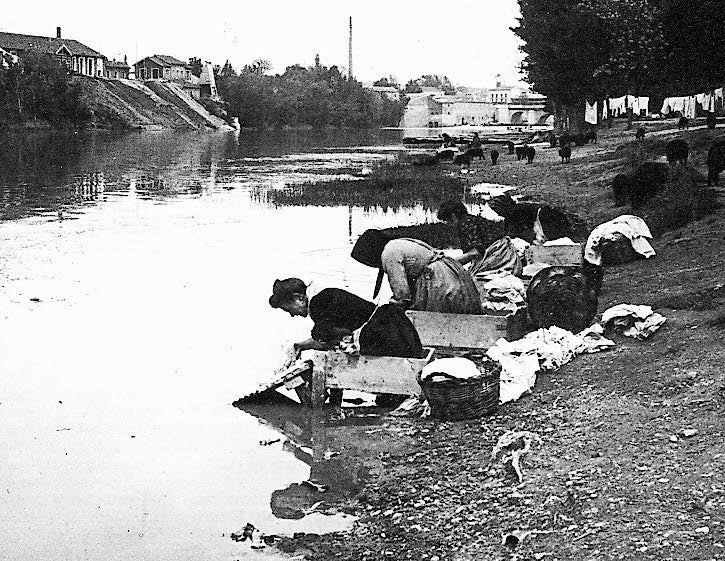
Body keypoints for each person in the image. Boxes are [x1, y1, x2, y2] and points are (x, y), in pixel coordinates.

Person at [351, 229, 482, 314]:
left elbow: (402, 295)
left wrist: (391, 308)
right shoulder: (398, 243)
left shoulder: (389, 254)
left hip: (438, 281)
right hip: (448, 273)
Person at [269, 278, 375, 352]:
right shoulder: (321, 297)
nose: (292, 314)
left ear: (299, 298)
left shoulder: (318, 304)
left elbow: (324, 339)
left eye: (289, 309)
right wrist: (300, 346)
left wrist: (299, 347)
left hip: (378, 332)